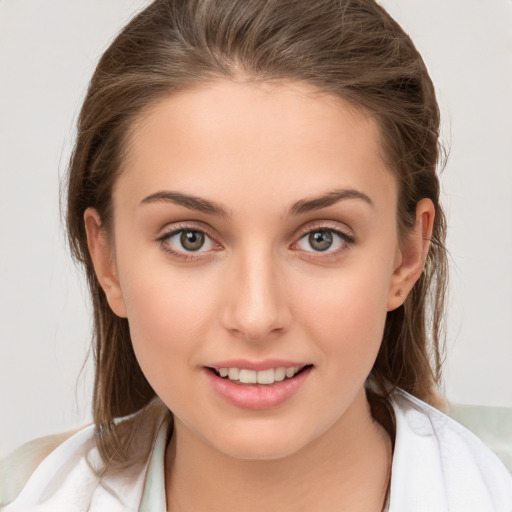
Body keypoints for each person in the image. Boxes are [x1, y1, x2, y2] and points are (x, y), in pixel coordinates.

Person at [1, 0, 511, 510]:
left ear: (406, 255)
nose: (256, 315)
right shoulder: (24, 493)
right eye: (190, 239)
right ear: (107, 261)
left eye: (321, 238)